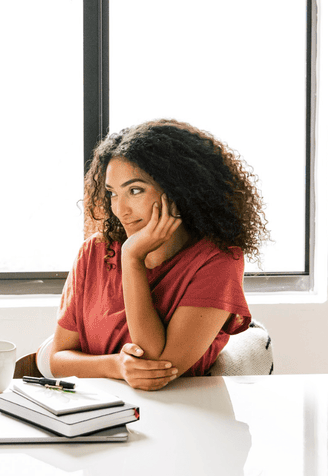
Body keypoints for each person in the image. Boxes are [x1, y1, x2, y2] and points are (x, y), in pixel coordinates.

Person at [49, 119, 268, 390]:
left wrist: (132, 259)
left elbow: (156, 369)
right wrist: (116, 365)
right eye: (112, 193)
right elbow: (58, 360)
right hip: (93, 418)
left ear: (178, 189)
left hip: (184, 418)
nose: (121, 209)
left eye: (135, 190)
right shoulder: (94, 252)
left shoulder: (218, 261)